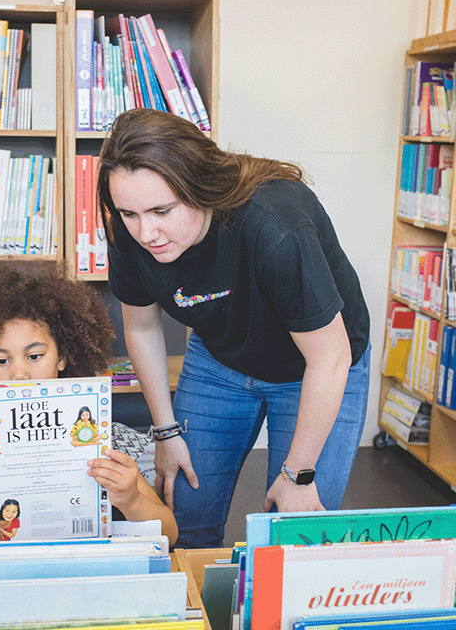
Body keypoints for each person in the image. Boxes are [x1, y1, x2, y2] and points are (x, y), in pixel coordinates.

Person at [97, 108, 371, 549]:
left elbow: (330, 356)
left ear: (200, 188)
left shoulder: (274, 224)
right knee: (183, 522)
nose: (146, 232)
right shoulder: (129, 232)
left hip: (314, 368)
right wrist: (165, 433)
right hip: (220, 359)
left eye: (162, 210)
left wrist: (298, 474)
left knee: (291, 536)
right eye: (130, 213)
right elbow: (143, 328)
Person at [0, 262, 178, 547]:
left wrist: (131, 500)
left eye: (35, 355)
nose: (19, 374)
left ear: (62, 357)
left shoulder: (100, 434)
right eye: (1, 361)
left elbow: (169, 533)